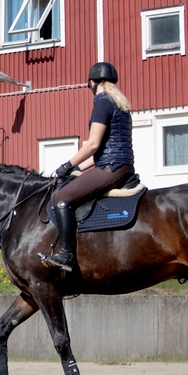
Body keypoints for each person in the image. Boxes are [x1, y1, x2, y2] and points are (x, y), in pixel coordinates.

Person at [42, 62, 135, 274]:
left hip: (111, 168)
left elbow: (92, 144)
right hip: (122, 166)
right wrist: (79, 169)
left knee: (61, 199)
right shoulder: (120, 104)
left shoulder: (102, 102)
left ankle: (66, 254)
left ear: (91, 83)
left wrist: (68, 165)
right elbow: (103, 149)